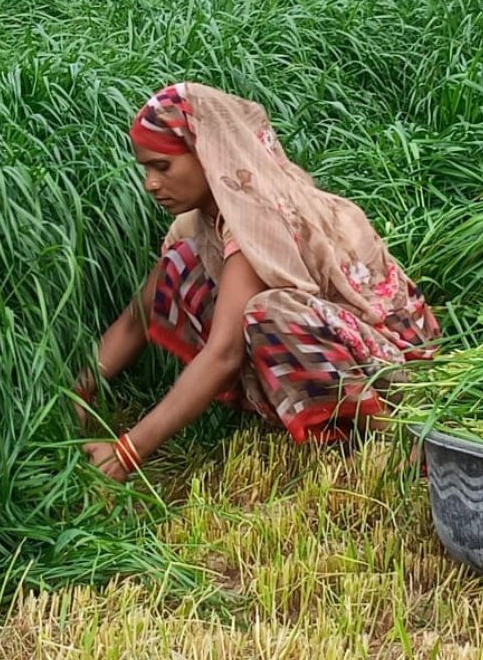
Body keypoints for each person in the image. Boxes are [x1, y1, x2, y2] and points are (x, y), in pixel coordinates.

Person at [76, 82, 440, 482]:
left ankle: (400, 439)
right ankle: (326, 422)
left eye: (162, 166)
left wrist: (127, 452)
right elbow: (136, 319)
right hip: (343, 347)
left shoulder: (256, 214)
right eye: (145, 169)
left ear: (209, 155)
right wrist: (77, 392)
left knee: (268, 313)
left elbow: (224, 355)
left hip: (395, 371)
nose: (150, 183)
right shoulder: (204, 222)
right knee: (178, 265)